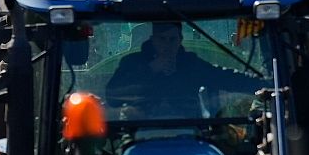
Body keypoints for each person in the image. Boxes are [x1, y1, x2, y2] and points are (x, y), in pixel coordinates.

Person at [106, 22, 257, 117]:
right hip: (139, 131)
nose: (167, 45)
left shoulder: (190, 64)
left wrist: (263, 84)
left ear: (180, 40)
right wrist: (150, 69)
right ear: (153, 40)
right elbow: (112, 96)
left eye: (172, 40)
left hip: (189, 131)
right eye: (162, 39)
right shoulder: (132, 63)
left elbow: (223, 77)